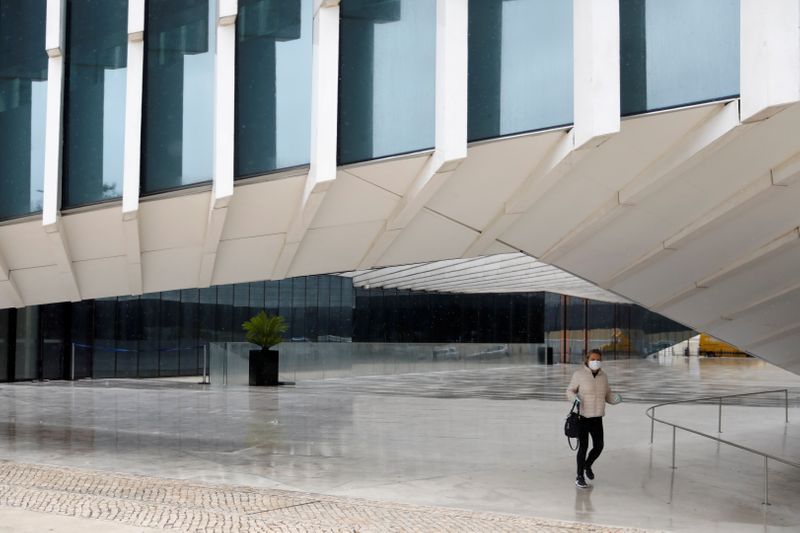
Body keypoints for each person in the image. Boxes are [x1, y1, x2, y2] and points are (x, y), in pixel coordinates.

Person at [566, 348, 622, 489]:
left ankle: (587, 465)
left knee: (599, 446)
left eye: (598, 359)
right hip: (583, 417)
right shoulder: (579, 374)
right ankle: (579, 477)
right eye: (593, 359)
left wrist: (616, 399)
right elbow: (570, 390)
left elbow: (607, 394)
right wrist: (575, 399)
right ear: (587, 360)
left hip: (597, 418)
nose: (596, 362)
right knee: (583, 447)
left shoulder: (603, 376)